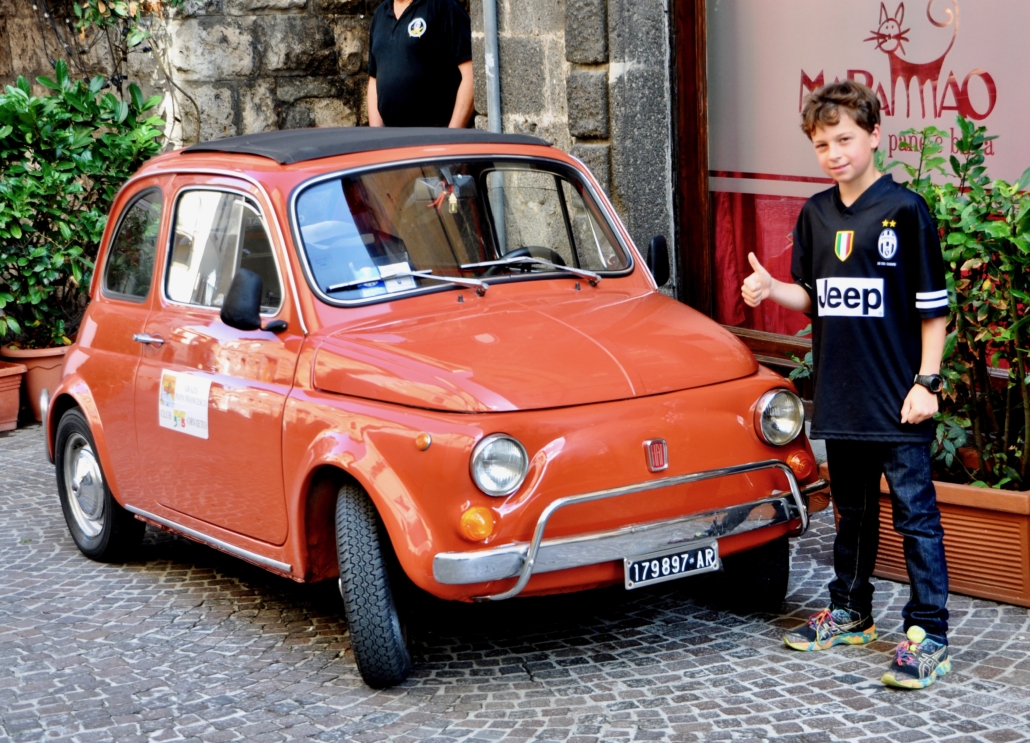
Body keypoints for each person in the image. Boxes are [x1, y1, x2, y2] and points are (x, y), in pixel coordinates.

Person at [741, 80, 951, 690]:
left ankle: (928, 632)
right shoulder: (815, 214)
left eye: (845, 139)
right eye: (821, 144)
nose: (834, 153)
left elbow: (932, 311)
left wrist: (927, 383)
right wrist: (769, 290)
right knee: (852, 515)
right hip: (842, 396)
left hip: (899, 400)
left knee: (916, 517)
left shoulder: (905, 211)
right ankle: (852, 611)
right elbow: (810, 298)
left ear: (874, 135)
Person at [366, 0, 474, 128]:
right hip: (392, 137)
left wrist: (452, 135)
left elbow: (472, 74)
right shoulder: (380, 14)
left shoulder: (444, 7)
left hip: (436, 133)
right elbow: (374, 79)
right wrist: (378, 135)